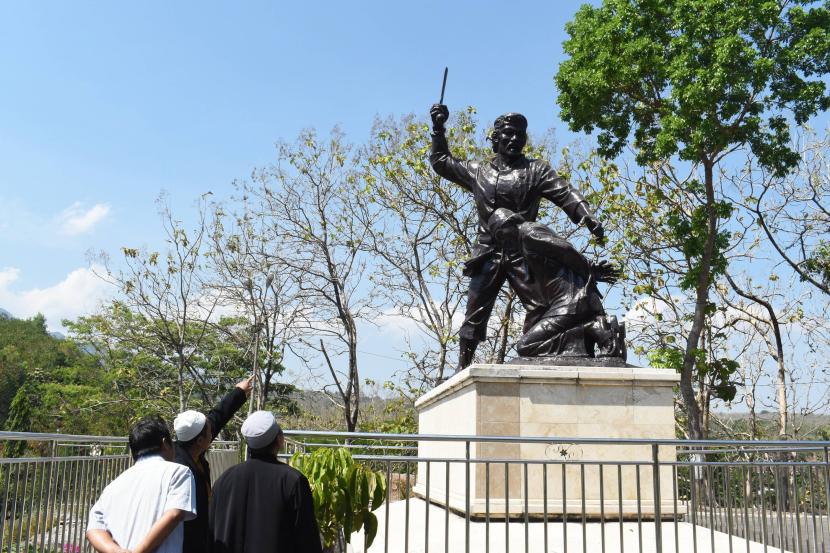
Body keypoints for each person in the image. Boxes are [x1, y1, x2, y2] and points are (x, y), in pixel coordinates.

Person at [429, 103, 606, 371]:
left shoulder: (536, 170)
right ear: (496, 138)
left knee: (539, 306)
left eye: (520, 135)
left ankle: (536, 357)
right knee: (475, 313)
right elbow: (442, 162)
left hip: (524, 253)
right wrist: (439, 128)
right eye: (509, 134)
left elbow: (564, 192)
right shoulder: (479, 170)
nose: (515, 139)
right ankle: (462, 368)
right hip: (487, 254)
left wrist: (586, 215)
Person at [488, 207, 624, 358]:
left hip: (571, 301)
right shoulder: (527, 236)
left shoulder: (528, 233)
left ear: (509, 224)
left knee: (525, 346)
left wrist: (590, 268)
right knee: (528, 344)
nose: (502, 241)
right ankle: (593, 331)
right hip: (569, 301)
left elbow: (565, 250)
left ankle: (594, 328)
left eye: (500, 235)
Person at [210, 411, 322, 553]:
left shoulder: (224, 480)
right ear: (279, 440)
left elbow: (211, 533)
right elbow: (307, 539)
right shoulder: (293, 481)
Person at [86, 415, 197, 553]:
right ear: (165, 443)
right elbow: (174, 514)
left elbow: (93, 529)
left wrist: (115, 550)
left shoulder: (113, 486)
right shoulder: (178, 472)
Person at [173, 376, 253, 553]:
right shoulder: (180, 470)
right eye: (210, 431)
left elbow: (217, 417)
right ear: (200, 440)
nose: (213, 431)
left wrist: (239, 392)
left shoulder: (190, 448)